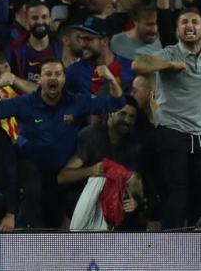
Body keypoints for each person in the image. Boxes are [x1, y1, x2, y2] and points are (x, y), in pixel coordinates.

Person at [0, 59, 124, 230]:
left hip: (61, 171)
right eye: (48, 74)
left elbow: (117, 103)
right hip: (32, 165)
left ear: (64, 79)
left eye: (57, 74)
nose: (53, 78)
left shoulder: (76, 102)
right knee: (32, 185)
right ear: (39, 80)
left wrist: (111, 79)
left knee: (64, 210)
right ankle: (33, 237)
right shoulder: (25, 103)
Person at [132, 7, 201, 230]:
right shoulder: (170, 53)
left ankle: (191, 236)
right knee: (178, 191)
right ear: (177, 29)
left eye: (194, 22)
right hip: (171, 131)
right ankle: (169, 246)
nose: (189, 25)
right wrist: (169, 66)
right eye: (184, 22)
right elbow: (138, 65)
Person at [57, 98, 143, 228]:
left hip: (114, 202)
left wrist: (135, 200)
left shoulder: (134, 145)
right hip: (83, 199)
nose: (126, 120)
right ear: (111, 113)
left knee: (134, 214)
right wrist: (91, 171)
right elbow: (62, 177)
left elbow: (135, 179)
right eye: (122, 114)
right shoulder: (90, 136)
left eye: (131, 117)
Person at [6, 0, 63, 83]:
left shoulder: (61, 48)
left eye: (44, 17)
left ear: (50, 19)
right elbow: (6, 81)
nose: (40, 22)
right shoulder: (14, 50)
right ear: (27, 21)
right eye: (34, 18)